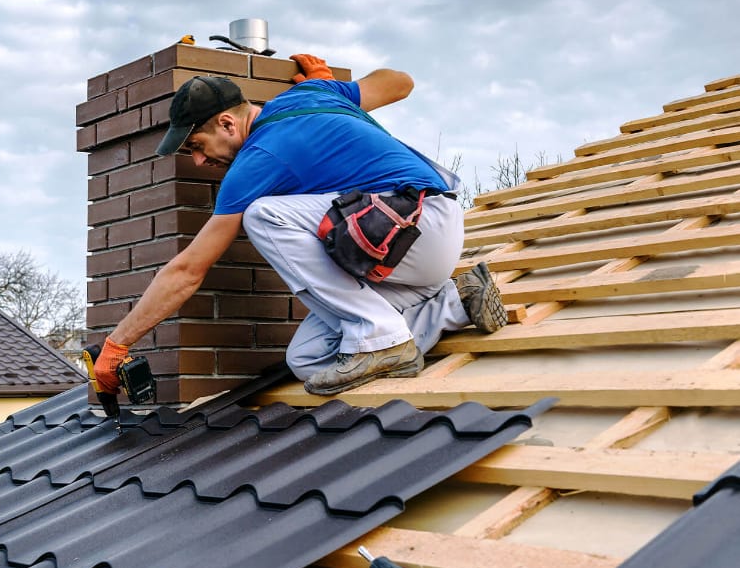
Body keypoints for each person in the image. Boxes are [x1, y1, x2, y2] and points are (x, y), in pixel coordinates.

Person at [94, 54, 507, 397]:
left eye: (196, 146)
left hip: (417, 224)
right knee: (308, 359)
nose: (199, 162)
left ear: (226, 123)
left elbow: (188, 270)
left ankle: (383, 337)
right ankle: (455, 302)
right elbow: (400, 81)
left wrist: (118, 344)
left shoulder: (257, 159)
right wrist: (336, 91)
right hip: (409, 251)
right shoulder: (315, 92)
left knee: (264, 214)